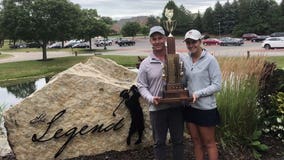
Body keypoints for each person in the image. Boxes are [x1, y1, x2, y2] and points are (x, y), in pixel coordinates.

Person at [137, 26, 184, 160]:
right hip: (157, 108)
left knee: (178, 141)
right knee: (159, 143)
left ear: (165, 39)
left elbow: (183, 78)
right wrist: (151, 98)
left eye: (160, 38)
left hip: (175, 107)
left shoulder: (176, 59)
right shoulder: (146, 63)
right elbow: (141, 86)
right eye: (154, 39)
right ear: (150, 41)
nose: (157, 41)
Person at [180, 29, 222, 160]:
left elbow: (217, 85)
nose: (191, 45)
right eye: (188, 42)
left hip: (205, 108)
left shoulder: (210, 60)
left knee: (209, 144)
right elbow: (185, 82)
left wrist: (198, 93)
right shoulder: (185, 59)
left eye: (194, 42)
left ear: (200, 42)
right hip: (190, 107)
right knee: (196, 142)